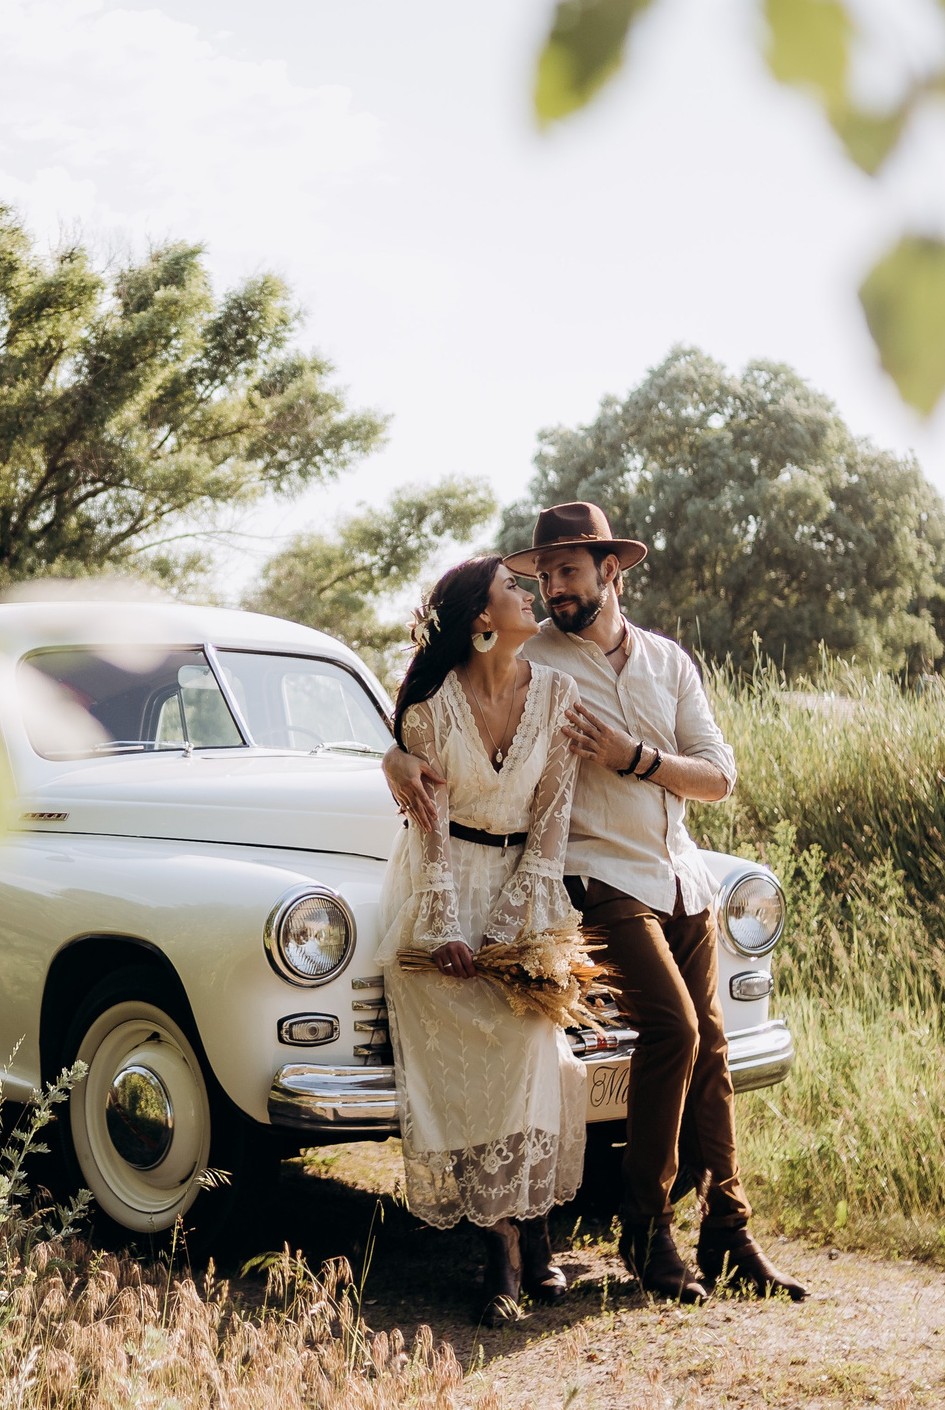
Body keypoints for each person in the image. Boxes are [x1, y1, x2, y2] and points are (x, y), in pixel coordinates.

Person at [383, 502, 810, 1304]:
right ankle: (645, 1227)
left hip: (681, 874)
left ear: (612, 570)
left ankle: (729, 1228)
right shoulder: (534, 655)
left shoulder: (669, 663)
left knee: (711, 1050)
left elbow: (719, 777)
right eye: (541, 576)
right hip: (596, 879)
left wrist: (635, 757)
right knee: (676, 1029)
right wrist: (393, 757)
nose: (551, 589)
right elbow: (438, 693)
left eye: (567, 572)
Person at [375, 553, 593, 1325]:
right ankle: (501, 1250)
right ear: (479, 620)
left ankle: (533, 1232)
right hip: (440, 889)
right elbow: (427, 831)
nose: (529, 594)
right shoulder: (430, 711)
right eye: (513, 587)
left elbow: (554, 823)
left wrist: (505, 933)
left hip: (526, 893)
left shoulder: (559, 695)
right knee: (465, 1041)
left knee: (530, 1042)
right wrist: (445, 928)